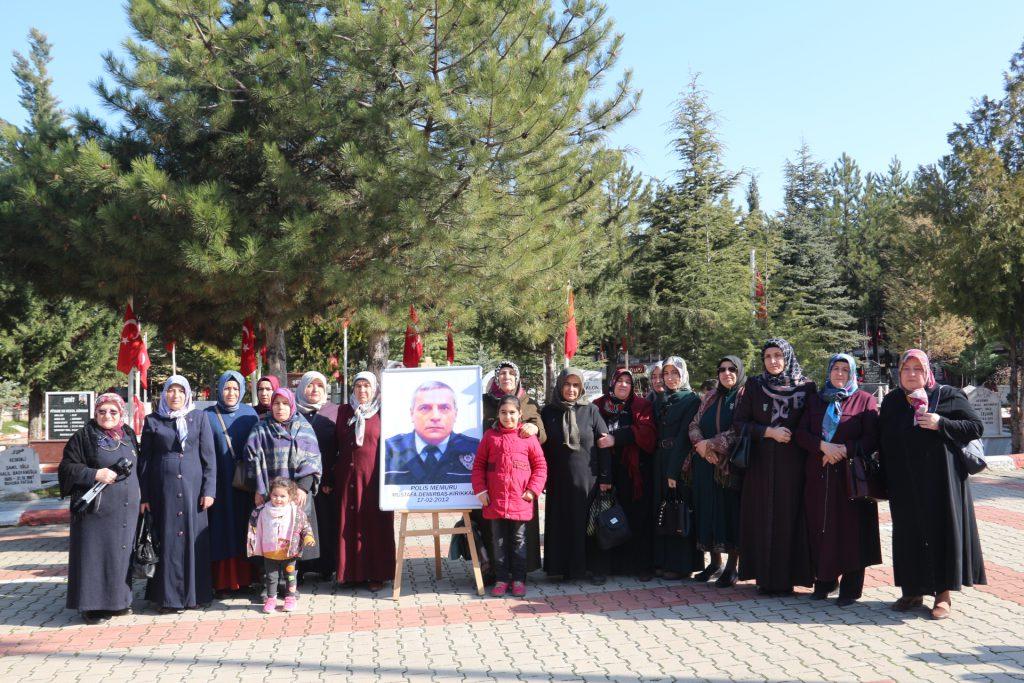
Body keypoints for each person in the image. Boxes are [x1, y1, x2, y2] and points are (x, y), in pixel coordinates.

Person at [879, 348, 985, 620]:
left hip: (943, 481)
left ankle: (943, 594)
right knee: (908, 534)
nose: (912, 374)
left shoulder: (947, 395)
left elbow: (974, 427)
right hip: (904, 482)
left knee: (942, 531)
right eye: (906, 369)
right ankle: (912, 591)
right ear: (899, 372)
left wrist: (941, 423)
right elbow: (882, 439)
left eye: (918, 369)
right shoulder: (892, 401)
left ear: (927, 372)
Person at [794, 353, 881, 606]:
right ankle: (824, 579)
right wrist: (822, 446)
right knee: (820, 527)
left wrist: (843, 449)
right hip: (819, 475)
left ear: (853, 373)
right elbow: (800, 433)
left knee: (852, 530)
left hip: (851, 476)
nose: (840, 373)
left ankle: (851, 587)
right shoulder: (816, 400)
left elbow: (872, 438)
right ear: (829, 371)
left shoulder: (865, 401)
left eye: (845, 369)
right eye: (836, 369)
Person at [733, 339, 816, 596]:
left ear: (788, 356)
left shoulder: (807, 387)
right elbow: (739, 424)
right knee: (763, 519)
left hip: (795, 466)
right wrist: (768, 432)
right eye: (768, 356)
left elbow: (814, 422)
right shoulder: (755, 386)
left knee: (791, 519)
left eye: (778, 355)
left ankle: (789, 578)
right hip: (761, 466)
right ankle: (765, 578)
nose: (773, 361)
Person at [59, 393, 141, 624]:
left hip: (125, 511)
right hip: (96, 512)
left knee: (120, 555)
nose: (107, 416)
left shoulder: (128, 435)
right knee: (95, 557)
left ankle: (118, 603)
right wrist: (95, 473)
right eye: (102, 411)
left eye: (113, 412)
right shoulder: (84, 436)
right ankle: (92, 607)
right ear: (95, 413)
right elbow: (66, 469)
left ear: (121, 413)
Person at [140, 375, 217, 613]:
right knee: (168, 541)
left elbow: (209, 458)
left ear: (187, 395)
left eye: (180, 391)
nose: (175, 396)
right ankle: (168, 599)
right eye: (171, 391)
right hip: (163, 490)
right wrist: (144, 496)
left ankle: (195, 595)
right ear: (164, 394)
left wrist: (209, 490)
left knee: (194, 541)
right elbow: (145, 460)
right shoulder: (153, 420)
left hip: (193, 491)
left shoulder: (200, 418)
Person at [475, 360, 547, 583]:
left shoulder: (529, 403)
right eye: (502, 373)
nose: (506, 377)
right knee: (494, 533)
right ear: (496, 378)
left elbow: (542, 435)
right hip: (493, 481)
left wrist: (534, 427)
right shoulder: (484, 402)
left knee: (519, 535)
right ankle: (495, 572)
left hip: (520, 483)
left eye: (511, 373)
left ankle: (520, 573)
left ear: (517, 377)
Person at [541, 368, 612, 583]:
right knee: (562, 523)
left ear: (581, 387)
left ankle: (593, 569)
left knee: (589, 525)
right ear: (559, 385)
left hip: (588, 481)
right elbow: (541, 448)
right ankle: (563, 568)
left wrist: (606, 477)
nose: (571, 389)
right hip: (559, 480)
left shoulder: (591, 411)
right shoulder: (548, 412)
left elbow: (604, 443)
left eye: (575, 385)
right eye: (567, 384)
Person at [244, 387, 323, 576]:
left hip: (296, 493)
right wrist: (258, 488)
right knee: (270, 534)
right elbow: (250, 458)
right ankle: (269, 582)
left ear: (292, 405)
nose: (280, 408)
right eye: (276, 403)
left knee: (293, 532)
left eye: (285, 404)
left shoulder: (304, 427)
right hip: (269, 494)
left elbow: (312, 460)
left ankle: (291, 581)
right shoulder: (260, 427)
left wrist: (303, 489)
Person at [593, 369, 657, 580]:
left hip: (634, 472)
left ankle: (641, 566)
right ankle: (605, 568)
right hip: (605, 471)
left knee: (637, 518)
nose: (623, 385)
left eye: (628, 382)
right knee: (606, 518)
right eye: (619, 381)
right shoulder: (598, 405)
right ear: (611, 383)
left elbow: (648, 434)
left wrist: (616, 438)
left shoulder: (641, 406)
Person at [688, 356, 746, 588]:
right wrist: (702, 447)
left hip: (729, 466)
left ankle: (732, 567)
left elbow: (740, 428)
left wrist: (711, 444)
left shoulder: (744, 396)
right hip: (705, 463)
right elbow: (694, 424)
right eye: (722, 369)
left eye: (732, 369)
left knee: (729, 513)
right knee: (708, 512)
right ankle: (714, 563)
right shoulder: (711, 396)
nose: (726, 373)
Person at [335, 371, 394, 591]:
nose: (362, 391)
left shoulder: (382, 413)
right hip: (347, 477)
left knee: (374, 525)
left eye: (367, 386)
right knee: (347, 524)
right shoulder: (344, 411)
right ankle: (350, 574)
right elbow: (335, 444)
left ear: (375, 389)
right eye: (358, 386)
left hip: (374, 481)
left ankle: (376, 574)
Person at [205, 371, 259, 594]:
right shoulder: (207, 415)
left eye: (236, 389)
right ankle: (223, 582)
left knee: (244, 528)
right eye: (227, 388)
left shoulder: (250, 414)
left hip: (244, 484)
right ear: (219, 389)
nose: (231, 393)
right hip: (218, 482)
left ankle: (247, 580)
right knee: (221, 529)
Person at [651, 356, 703, 580]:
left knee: (679, 510)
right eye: (667, 373)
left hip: (679, 462)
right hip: (660, 458)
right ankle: (663, 560)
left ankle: (682, 564)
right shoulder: (662, 398)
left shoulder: (690, 399)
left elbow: (683, 436)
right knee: (664, 510)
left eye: (675, 373)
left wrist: (673, 471)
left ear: (683, 375)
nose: (670, 378)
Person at [383, 380, 480, 485]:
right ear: (412, 414)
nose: (435, 417)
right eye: (424, 408)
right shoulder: (389, 449)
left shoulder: (475, 449)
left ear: (455, 414)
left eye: (444, 408)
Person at [247, 477, 316, 613]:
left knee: (290, 576)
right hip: (270, 553)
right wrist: (253, 544)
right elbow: (254, 528)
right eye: (275, 495)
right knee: (271, 578)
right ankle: (271, 599)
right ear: (270, 495)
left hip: (290, 553)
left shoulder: (296, 512)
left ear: (290, 496)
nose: (278, 499)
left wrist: (308, 537)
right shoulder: (261, 511)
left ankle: (290, 598)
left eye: (283, 496)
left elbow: (305, 526)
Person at [295, 371, 339, 580]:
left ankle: (326, 567)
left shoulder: (334, 412)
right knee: (301, 523)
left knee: (325, 523)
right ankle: (301, 568)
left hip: (326, 482)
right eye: (310, 386)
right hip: (299, 481)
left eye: (319, 386)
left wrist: (330, 478)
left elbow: (338, 448)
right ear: (302, 388)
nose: (314, 390)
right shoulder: (293, 410)